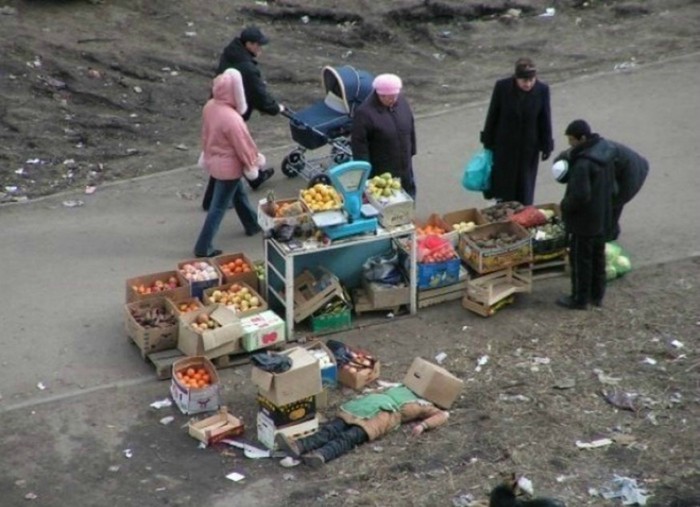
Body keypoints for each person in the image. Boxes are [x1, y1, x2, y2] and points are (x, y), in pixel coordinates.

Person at [202, 26, 284, 210]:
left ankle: (247, 182)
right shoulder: (246, 67)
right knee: (235, 150)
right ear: (249, 44)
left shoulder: (232, 52)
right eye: (258, 45)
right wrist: (273, 108)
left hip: (218, 106)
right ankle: (220, 199)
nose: (260, 49)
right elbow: (257, 93)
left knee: (225, 150)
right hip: (232, 112)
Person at [275, 383, 449, 468]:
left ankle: (321, 455)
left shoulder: (424, 405)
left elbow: (442, 415)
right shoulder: (403, 386)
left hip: (382, 416)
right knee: (333, 428)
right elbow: (381, 387)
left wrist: (424, 426)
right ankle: (299, 445)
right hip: (363, 407)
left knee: (350, 437)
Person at [193, 69, 263, 258]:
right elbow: (244, 146)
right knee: (218, 207)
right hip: (230, 167)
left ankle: (252, 224)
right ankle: (203, 246)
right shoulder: (233, 119)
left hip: (215, 160)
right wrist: (253, 163)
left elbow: (206, 133)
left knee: (238, 193)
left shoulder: (210, 106)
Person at [552, 119, 616, 310]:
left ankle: (579, 298)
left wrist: (565, 206)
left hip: (584, 222)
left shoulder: (582, 165)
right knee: (598, 258)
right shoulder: (605, 151)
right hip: (602, 216)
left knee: (580, 261)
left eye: (571, 140)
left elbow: (580, 195)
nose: (570, 144)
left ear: (581, 138)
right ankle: (597, 295)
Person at [480, 57, 554, 205]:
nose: (528, 84)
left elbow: (544, 118)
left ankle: (523, 212)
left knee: (525, 183)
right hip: (505, 145)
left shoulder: (542, 90)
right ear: (516, 78)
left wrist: (546, 144)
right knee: (504, 184)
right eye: (524, 80)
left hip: (528, 147)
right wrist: (488, 140)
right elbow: (493, 114)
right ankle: (503, 207)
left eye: (531, 80)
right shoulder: (502, 88)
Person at [553, 139, 648, 241]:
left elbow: (594, 195)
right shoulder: (571, 158)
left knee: (609, 204)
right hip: (621, 164)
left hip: (632, 173)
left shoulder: (592, 165)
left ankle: (608, 236)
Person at [351, 73, 418, 199]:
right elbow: (359, 145)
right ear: (379, 95)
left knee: (408, 195)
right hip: (381, 170)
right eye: (389, 97)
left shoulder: (401, 102)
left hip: (404, 165)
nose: (393, 99)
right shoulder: (364, 114)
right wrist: (365, 173)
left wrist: (411, 151)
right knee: (387, 201)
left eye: (395, 96)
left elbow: (410, 126)